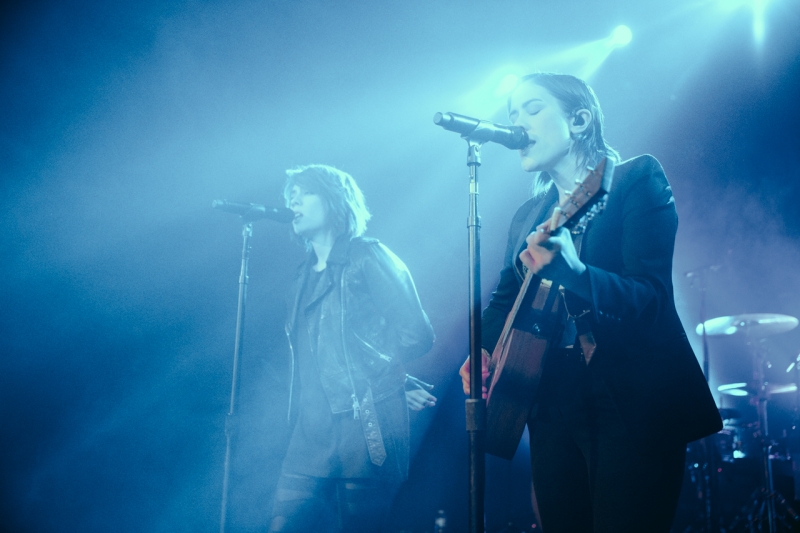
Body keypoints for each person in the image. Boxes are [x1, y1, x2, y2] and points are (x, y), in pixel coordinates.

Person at [459, 73, 722, 532]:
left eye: (532, 109)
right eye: (512, 115)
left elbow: (651, 298)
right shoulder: (529, 215)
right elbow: (503, 300)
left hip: (627, 398)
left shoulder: (634, 180)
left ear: (579, 119)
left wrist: (576, 274)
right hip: (549, 398)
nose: (518, 123)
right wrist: (481, 349)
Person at [270, 164, 436, 533]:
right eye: (290, 195)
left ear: (333, 199)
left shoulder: (368, 257)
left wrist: (384, 382)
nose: (293, 200)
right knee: (283, 523)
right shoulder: (300, 278)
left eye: (305, 192)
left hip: (365, 423)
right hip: (311, 426)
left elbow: (417, 334)